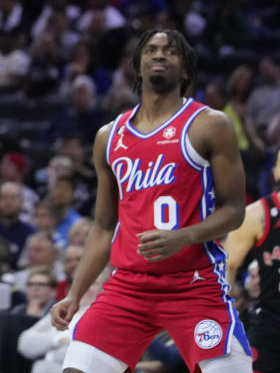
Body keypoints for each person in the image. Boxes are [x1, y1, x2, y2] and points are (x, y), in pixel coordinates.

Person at [51, 29, 252, 373]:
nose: (160, 55)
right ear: (138, 66)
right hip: (128, 287)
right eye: (151, 50)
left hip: (194, 283)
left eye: (170, 52)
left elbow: (235, 210)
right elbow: (102, 226)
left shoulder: (210, 125)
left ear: (185, 70)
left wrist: (185, 236)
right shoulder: (109, 137)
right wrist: (75, 293)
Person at [223, 150, 280, 373]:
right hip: (271, 327)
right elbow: (225, 268)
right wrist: (235, 294)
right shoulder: (258, 215)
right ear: (274, 172)